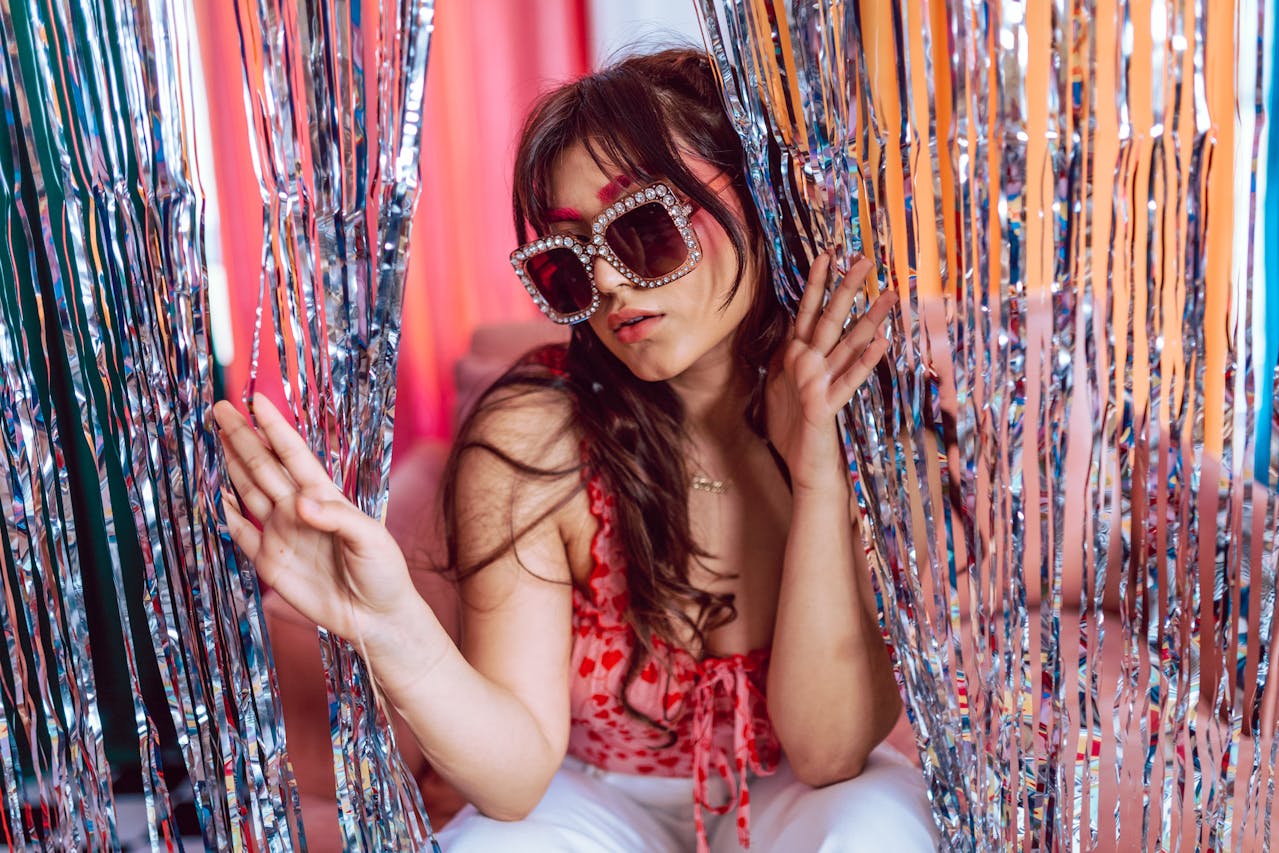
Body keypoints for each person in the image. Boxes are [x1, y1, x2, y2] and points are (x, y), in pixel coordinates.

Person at [213, 47, 937, 852]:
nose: (612, 284)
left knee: (873, 832)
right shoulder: (535, 435)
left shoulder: (864, 410)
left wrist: (820, 474)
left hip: (797, 788)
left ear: (760, 200)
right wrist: (390, 626)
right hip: (595, 796)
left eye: (644, 228)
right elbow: (517, 775)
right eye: (569, 263)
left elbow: (828, 753)